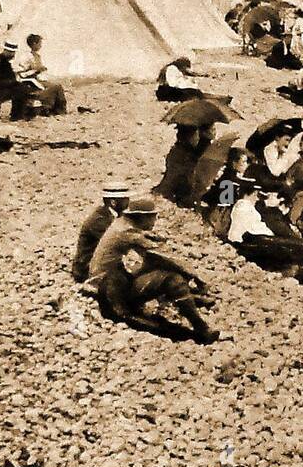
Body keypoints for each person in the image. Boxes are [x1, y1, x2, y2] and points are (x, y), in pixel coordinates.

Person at [90, 198, 220, 343]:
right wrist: (197, 278)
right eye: (153, 217)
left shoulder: (122, 224)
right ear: (142, 217)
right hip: (111, 291)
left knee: (155, 265)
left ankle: (188, 297)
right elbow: (165, 256)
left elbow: (141, 238)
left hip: (110, 281)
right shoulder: (127, 232)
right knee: (172, 278)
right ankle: (201, 328)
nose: (155, 221)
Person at [227, 182, 303, 283]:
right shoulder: (245, 207)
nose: (257, 198)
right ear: (254, 193)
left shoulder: (246, 206)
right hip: (254, 241)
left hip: (255, 241)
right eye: (257, 194)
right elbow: (255, 230)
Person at [72, 182, 131, 282]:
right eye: (125, 200)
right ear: (113, 202)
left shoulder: (112, 215)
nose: (128, 203)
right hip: (87, 268)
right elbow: (119, 240)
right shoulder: (99, 220)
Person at [153, 123, 213, 205]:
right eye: (195, 135)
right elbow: (198, 154)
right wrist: (206, 137)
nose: (196, 138)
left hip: (174, 186)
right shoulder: (186, 153)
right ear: (190, 136)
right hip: (178, 186)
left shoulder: (178, 150)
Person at [15, 34, 67, 116]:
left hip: (36, 79)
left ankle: (54, 109)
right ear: (34, 44)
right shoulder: (26, 56)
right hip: (29, 81)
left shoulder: (36, 56)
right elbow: (21, 72)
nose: (41, 45)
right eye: (40, 43)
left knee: (55, 86)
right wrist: (36, 69)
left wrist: (39, 70)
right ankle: (58, 110)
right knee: (57, 87)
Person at [0, 41, 30, 121]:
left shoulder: (1, 61)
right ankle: (16, 116)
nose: (13, 55)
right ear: (7, 52)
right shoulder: (0, 63)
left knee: (20, 87)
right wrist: (14, 82)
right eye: (12, 53)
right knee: (21, 90)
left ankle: (17, 114)